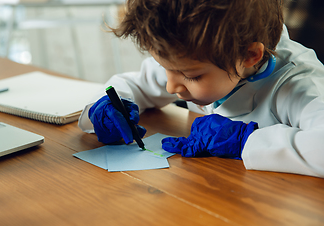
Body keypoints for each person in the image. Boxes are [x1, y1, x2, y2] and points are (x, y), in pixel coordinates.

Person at [78, 0, 324, 178]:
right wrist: (110, 106)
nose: (170, 85)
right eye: (164, 67)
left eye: (189, 75)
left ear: (249, 55)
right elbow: (132, 83)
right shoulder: (197, 57)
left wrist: (246, 140)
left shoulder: (301, 83)